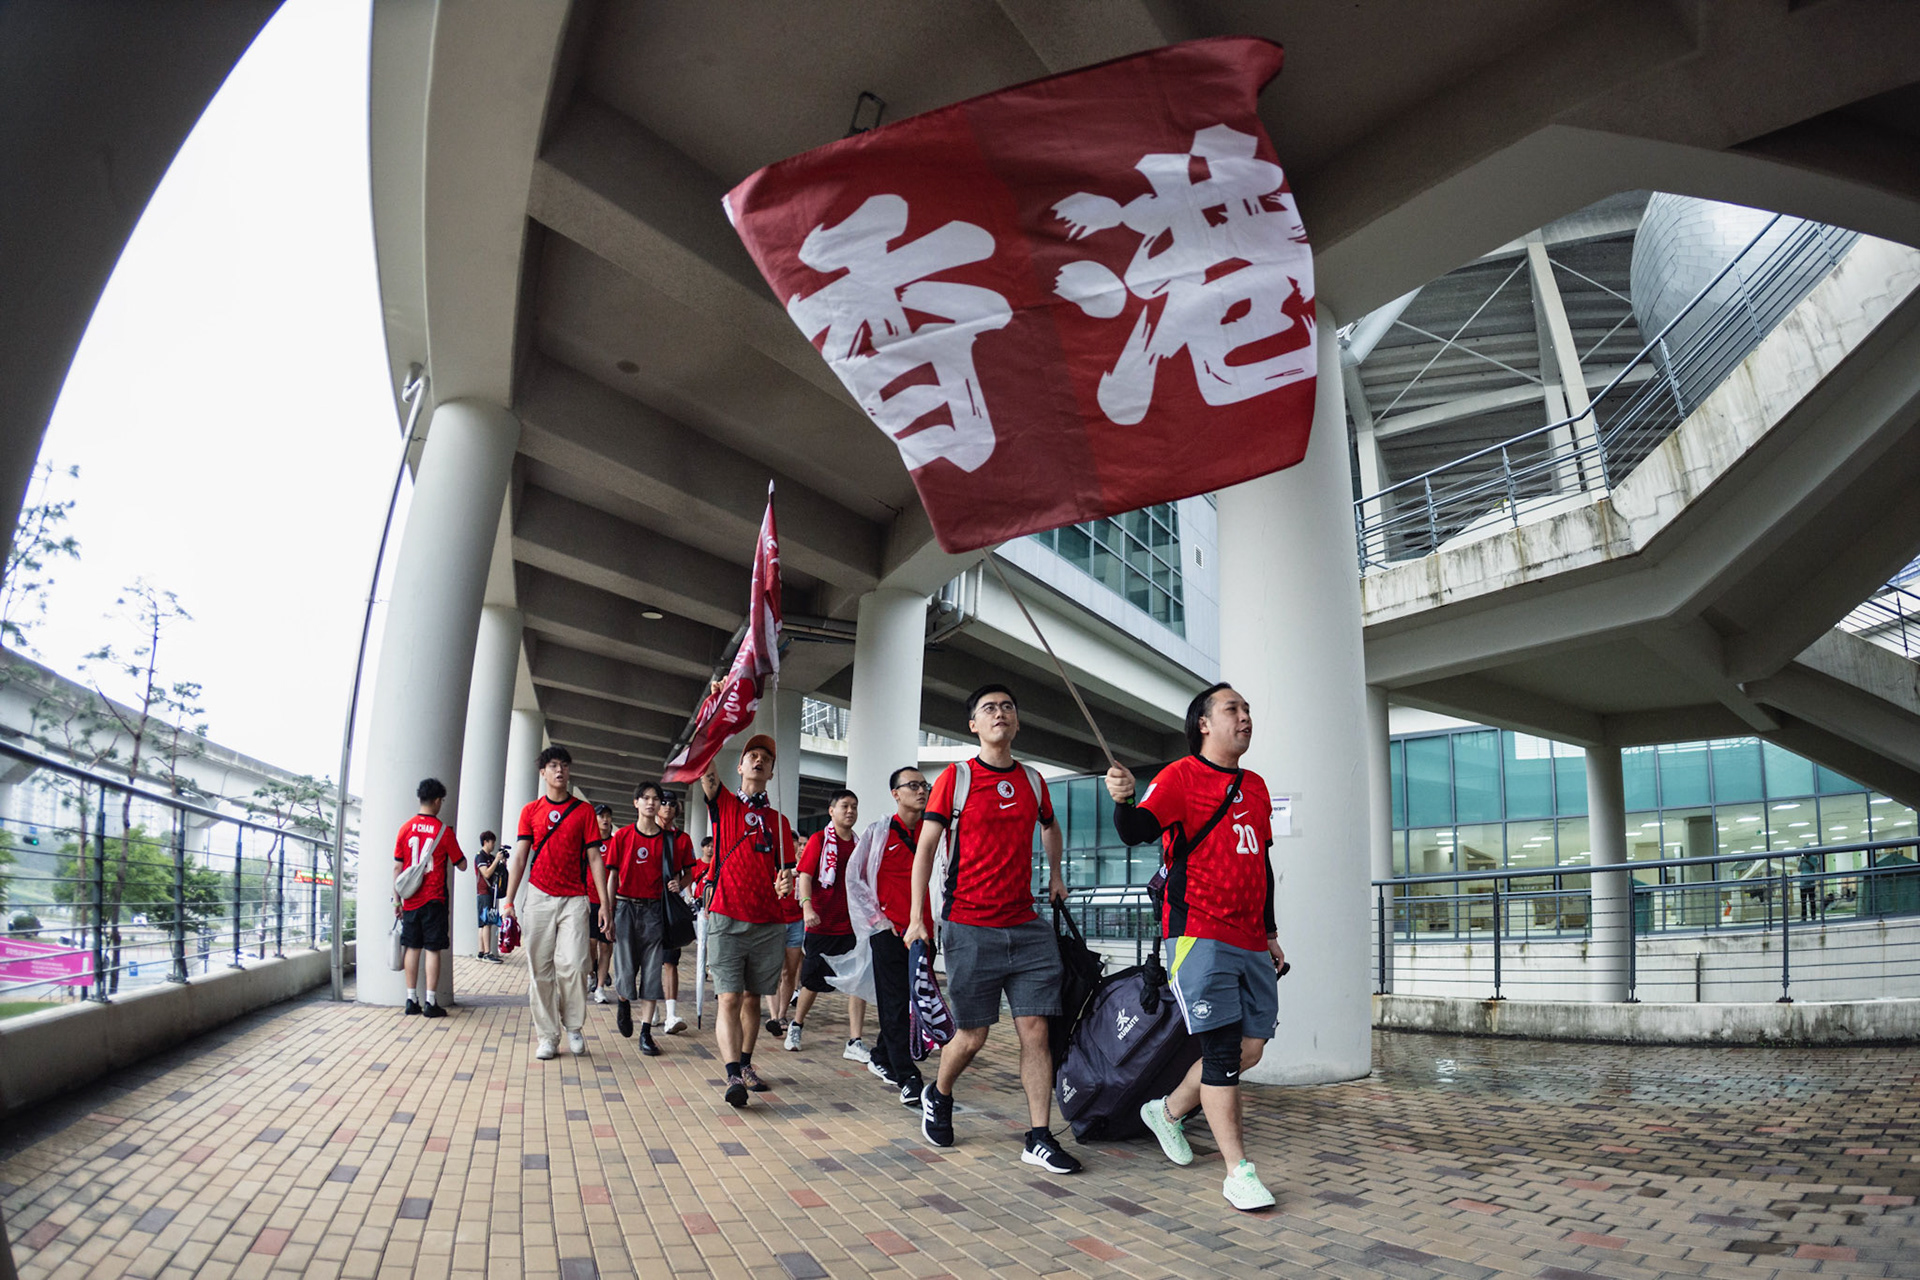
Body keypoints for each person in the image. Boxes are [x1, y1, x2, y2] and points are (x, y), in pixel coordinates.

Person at [1106, 681, 1285, 1212]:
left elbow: (1263, 866)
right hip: (1198, 934)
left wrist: (1271, 933)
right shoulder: (1180, 776)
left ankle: (1167, 1110)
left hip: (1251, 938)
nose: (1245, 716)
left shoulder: (1255, 786)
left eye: (1248, 709)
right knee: (1224, 1052)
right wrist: (1122, 801)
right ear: (1204, 724)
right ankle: (1239, 1172)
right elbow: (1136, 830)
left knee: (1251, 1048)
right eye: (1234, 709)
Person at [907, 684, 1077, 1173]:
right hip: (969, 926)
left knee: (1035, 1031)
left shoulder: (1033, 780)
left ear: (1016, 722)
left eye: (1008, 706)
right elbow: (926, 849)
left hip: (1026, 926)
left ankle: (1039, 1136)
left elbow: (1049, 825)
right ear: (974, 726)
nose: (1000, 713)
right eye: (988, 708)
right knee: (973, 1036)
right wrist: (919, 917)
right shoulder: (955, 779)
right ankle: (937, 1093)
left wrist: (1058, 873)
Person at [699, 733, 797, 1107]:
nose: (758, 761)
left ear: (771, 772)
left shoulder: (779, 820)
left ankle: (746, 1063)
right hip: (726, 916)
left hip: (768, 922)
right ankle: (732, 1076)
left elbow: (783, 874)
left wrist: (785, 882)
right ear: (739, 766)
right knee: (728, 998)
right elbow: (703, 764)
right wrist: (713, 716)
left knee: (754, 998)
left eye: (766, 759)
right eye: (752, 756)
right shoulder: (722, 803)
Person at [501, 746, 611, 1061]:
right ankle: (548, 1036)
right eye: (553, 765)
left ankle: (573, 1026)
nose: (559, 770)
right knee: (540, 969)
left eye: (564, 765)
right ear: (543, 773)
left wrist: (603, 903)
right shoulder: (530, 811)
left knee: (575, 965)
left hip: (575, 898)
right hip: (538, 895)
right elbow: (520, 856)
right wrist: (508, 900)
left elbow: (594, 857)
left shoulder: (584, 811)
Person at [845, 766, 929, 1106]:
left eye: (924, 785)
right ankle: (907, 1076)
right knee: (896, 1003)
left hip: (925, 931)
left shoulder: (933, 829)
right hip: (889, 932)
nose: (921, 791)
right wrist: (879, 921)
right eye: (913, 786)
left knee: (915, 1003)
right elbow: (855, 879)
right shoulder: (879, 832)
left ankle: (882, 1054)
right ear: (896, 793)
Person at [602, 781, 682, 1056]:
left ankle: (646, 1032)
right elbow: (612, 876)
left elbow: (680, 874)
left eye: (655, 799)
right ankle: (624, 1002)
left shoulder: (668, 841)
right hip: (625, 908)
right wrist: (608, 912)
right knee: (624, 969)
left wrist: (678, 884)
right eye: (645, 798)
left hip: (655, 912)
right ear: (635, 803)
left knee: (651, 973)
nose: (651, 803)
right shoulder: (622, 836)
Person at [791, 788, 869, 1057]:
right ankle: (797, 1024)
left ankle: (855, 1041)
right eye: (845, 806)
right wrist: (807, 907)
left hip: (852, 926)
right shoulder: (819, 840)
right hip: (822, 923)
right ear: (831, 811)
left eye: (854, 807)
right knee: (812, 981)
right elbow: (805, 876)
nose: (850, 811)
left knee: (857, 981)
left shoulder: (859, 844)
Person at [394, 777, 467, 1018]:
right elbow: (463, 864)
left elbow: (397, 868)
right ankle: (431, 1002)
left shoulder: (405, 828)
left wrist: (397, 900)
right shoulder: (443, 832)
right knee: (433, 949)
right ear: (437, 801)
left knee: (412, 947)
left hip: (410, 900)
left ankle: (410, 999)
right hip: (434, 899)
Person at [655, 791, 692, 1033]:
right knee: (646, 960)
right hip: (645, 903)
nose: (667, 807)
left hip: (669, 905)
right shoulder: (643, 834)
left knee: (670, 960)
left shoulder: (683, 839)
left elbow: (689, 871)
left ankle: (671, 1014)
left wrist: (681, 884)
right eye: (663, 802)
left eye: (672, 803)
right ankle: (651, 1004)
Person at [588, 804, 616, 1003]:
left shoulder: (616, 843)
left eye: (608, 816)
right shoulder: (589, 843)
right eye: (601, 816)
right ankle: (592, 972)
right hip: (589, 900)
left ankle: (599, 988)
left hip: (610, 904)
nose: (605, 820)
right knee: (590, 944)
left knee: (606, 946)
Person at [474, 832, 503, 962]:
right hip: (483, 892)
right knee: (486, 923)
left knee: (484, 923)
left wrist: (500, 863)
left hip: (490, 892)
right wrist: (496, 860)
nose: (494, 845)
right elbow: (486, 873)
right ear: (486, 842)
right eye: (492, 842)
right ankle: (487, 953)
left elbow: (495, 873)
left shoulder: (489, 857)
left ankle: (481, 952)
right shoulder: (480, 857)